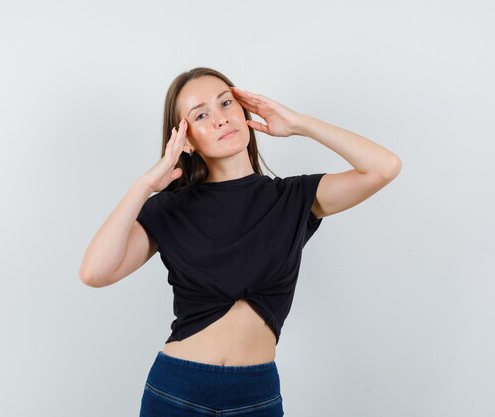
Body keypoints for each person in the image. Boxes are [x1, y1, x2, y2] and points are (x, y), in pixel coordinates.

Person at [80, 67, 402, 416]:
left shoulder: (293, 198)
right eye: (201, 114)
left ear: (243, 111)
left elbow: (384, 166)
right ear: (185, 139)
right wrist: (143, 186)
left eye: (226, 103)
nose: (220, 119)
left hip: (256, 396)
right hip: (177, 391)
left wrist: (299, 124)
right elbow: (95, 273)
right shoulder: (170, 209)